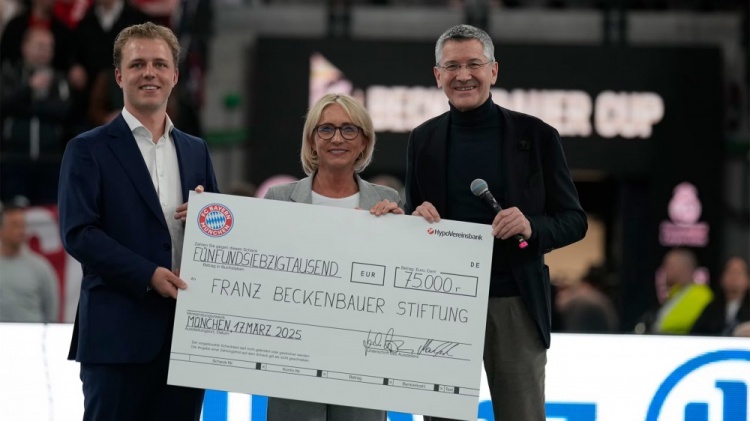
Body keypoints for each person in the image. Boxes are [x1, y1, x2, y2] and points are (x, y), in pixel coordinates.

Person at [405, 24, 587, 421]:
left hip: (514, 302)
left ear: (494, 70)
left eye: (474, 64)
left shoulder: (537, 136)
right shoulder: (423, 139)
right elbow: (412, 215)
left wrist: (531, 226)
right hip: (443, 304)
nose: (463, 75)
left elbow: (574, 221)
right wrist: (414, 219)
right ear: (437, 75)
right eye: (452, 66)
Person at [58, 22, 219, 420]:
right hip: (116, 339)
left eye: (160, 64)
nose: (150, 73)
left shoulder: (196, 150)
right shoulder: (87, 149)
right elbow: (79, 234)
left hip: (186, 340)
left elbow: (221, 235)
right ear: (119, 76)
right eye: (138, 64)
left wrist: (209, 221)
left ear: (175, 76)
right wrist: (148, 274)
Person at [263, 93, 402, 421]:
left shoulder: (389, 201)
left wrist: (406, 232)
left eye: (348, 129)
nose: (337, 138)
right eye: (326, 129)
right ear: (312, 140)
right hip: (292, 362)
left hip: (363, 364)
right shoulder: (278, 199)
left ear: (364, 141)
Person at [1, 27, 70, 205]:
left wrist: (25, 106)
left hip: (50, 161)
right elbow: (5, 104)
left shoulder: (59, 79)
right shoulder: (10, 74)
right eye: (40, 46)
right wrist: (29, 88)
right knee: (16, 210)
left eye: (49, 47)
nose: (45, 52)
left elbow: (63, 111)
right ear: (25, 47)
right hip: (15, 161)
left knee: (49, 213)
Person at [0, 204, 60, 322]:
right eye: (14, 225)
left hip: (32, 332)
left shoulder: (40, 267)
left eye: (23, 225)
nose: (21, 231)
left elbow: (51, 310)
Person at [651, 248, 713, 335]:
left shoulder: (702, 295)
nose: (664, 270)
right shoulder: (675, 293)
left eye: (668, 266)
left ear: (683, 268)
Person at [691, 256, 750, 336]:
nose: (734, 278)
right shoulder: (711, 308)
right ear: (721, 278)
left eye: (739, 273)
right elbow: (696, 333)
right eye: (730, 272)